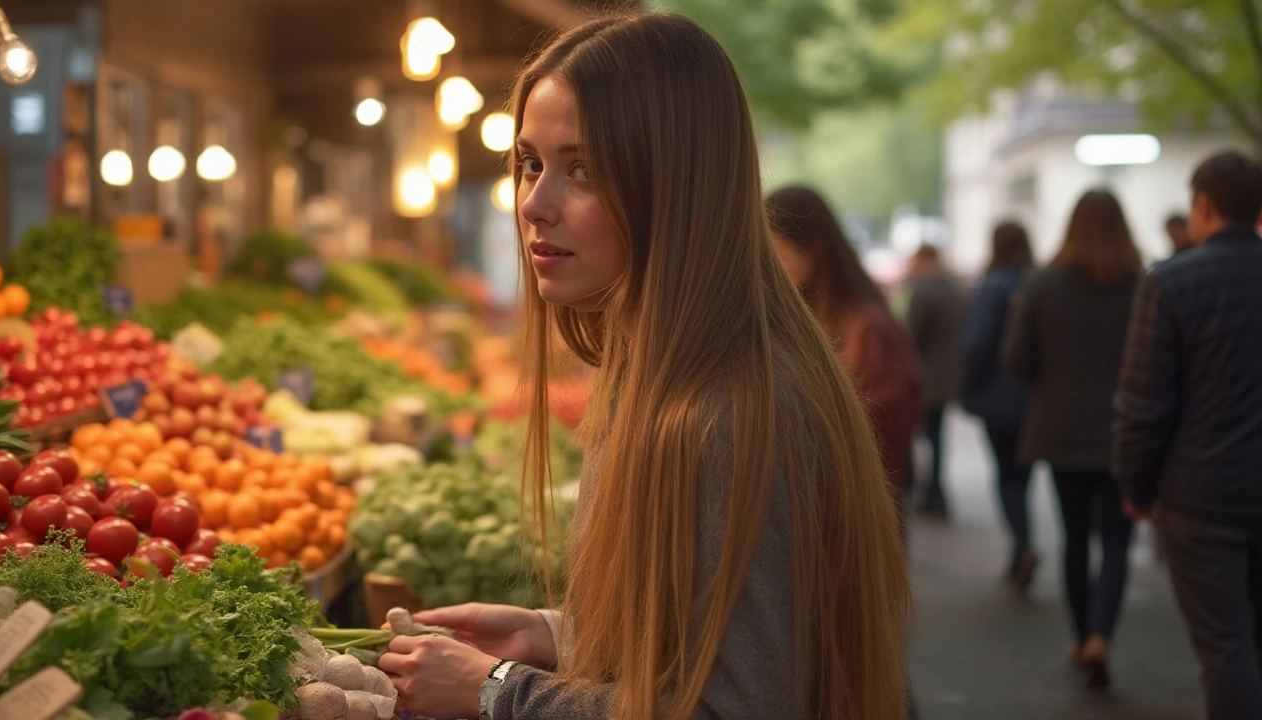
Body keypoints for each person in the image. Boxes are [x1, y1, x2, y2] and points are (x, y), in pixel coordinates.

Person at [373, 14, 912, 720]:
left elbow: (734, 707)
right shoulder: (668, 372)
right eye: (532, 161)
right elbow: (698, 642)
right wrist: (555, 634)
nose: (533, 203)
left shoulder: (731, 412)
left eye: (583, 169)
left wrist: (498, 690)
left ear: (675, 187)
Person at [1113, 151, 1262, 720]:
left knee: (1225, 648)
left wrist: (1136, 483)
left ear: (1203, 205)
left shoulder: (1170, 284)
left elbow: (1143, 404)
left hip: (1203, 496)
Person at [1004, 189, 1143, 689]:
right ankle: (1102, 635)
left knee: (1074, 539)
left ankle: (1081, 634)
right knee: (1118, 542)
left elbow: (1018, 360)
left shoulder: (1043, 285)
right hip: (1125, 432)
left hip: (1061, 431)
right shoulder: (1143, 285)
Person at [765, 186, 924, 515]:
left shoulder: (866, 326)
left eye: (780, 252)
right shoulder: (804, 316)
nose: (774, 267)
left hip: (856, 505)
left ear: (814, 247)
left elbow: (884, 423)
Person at [959, 221, 1036, 592]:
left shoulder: (993, 287)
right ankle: (1021, 548)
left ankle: (1022, 546)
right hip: (1035, 399)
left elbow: (977, 344)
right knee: (1023, 476)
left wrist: (969, 388)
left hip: (1000, 398)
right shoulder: (1035, 282)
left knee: (1007, 478)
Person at [905, 243, 969, 518]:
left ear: (922, 260)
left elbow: (910, 336)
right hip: (949, 374)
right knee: (937, 435)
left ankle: (931, 492)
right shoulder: (957, 289)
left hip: (925, 375)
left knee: (924, 436)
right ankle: (937, 491)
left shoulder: (923, 292)